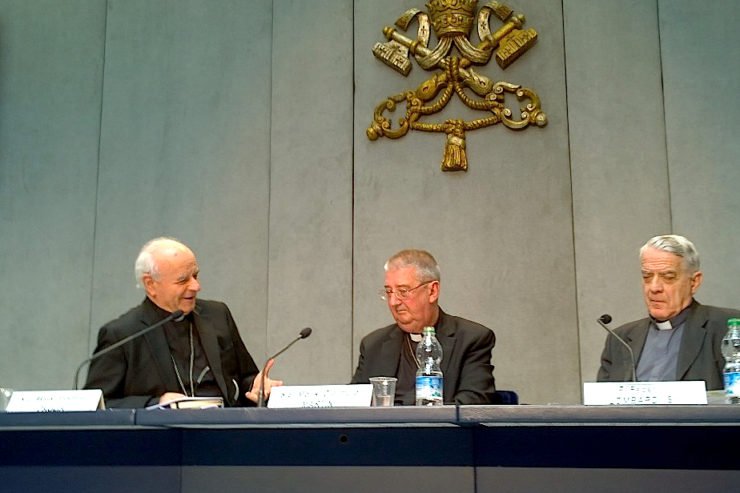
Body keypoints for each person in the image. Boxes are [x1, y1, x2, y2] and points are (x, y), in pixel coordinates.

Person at [85, 237, 281, 408]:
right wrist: (156, 403)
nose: (196, 286)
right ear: (150, 284)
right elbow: (96, 404)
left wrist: (257, 386)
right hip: (164, 434)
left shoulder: (217, 315)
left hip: (224, 428)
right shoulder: (122, 334)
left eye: (195, 276)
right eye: (182, 280)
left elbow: (244, 377)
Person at [352, 249, 496, 405]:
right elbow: (353, 404)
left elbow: (473, 403)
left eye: (403, 291)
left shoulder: (471, 339)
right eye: (389, 292)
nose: (393, 302)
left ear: (432, 291)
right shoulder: (373, 345)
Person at [597, 234, 740, 389]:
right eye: (647, 277)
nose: (654, 288)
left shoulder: (728, 328)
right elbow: (602, 401)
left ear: (694, 282)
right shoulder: (620, 339)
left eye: (668, 277)